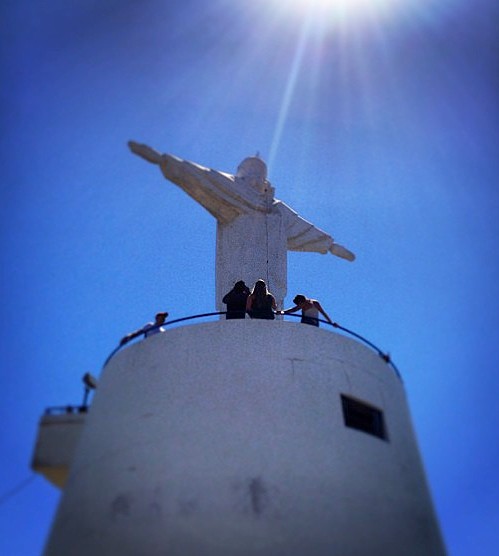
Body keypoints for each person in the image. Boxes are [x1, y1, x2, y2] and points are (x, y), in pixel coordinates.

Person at [128, 141, 355, 310]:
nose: (256, 178)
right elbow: (202, 178)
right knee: (238, 294)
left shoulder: (276, 208)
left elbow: (301, 229)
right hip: (236, 257)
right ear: (242, 173)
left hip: (271, 265)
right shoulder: (231, 190)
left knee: (270, 299)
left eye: (260, 174)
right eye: (251, 172)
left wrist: (330, 245)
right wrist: (163, 160)